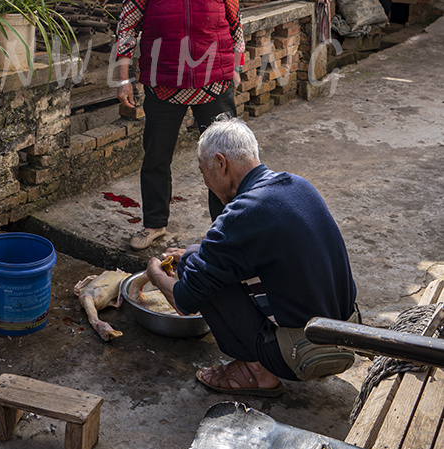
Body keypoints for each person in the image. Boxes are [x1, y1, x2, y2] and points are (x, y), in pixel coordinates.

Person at [146, 119, 359, 396]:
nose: (206, 182)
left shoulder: (242, 214)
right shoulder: (298, 185)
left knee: (190, 265)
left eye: (203, 171)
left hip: (303, 355)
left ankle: (258, 371)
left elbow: (184, 301)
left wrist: (154, 272)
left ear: (221, 163)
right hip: (347, 336)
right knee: (196, 256)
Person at [115, 0, 244, 250]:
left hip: (213, 80)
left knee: (224, 161)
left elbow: (235, 20)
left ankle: (225, 230)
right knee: (157, 155)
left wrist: (237, 65)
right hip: (163, 80)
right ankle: (155, 223)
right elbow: (128, 24)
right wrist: (123, 75)